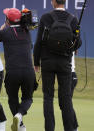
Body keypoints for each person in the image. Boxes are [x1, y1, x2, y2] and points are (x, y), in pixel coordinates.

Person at [33, 0, 82, 131]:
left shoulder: (45, 17)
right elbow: (78, 43)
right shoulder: (73, 19)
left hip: (47, 62)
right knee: (66, 99)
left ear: (53, 1)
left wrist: (36, 62)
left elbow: (38, 42)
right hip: (65, 63)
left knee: (48, 97)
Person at [0, 8, 36, 131]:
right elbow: (30, 45)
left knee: (12, 99)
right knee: (28, 98)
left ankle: (19, 123)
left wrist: (4, 27)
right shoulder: (26, 31)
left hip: (12, 72)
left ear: (7, 20)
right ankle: (20, 116)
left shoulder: (5, 31)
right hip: (28, 71)